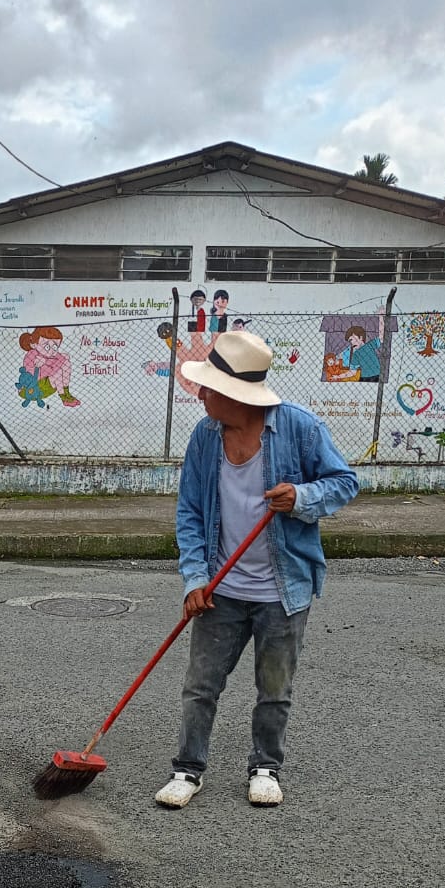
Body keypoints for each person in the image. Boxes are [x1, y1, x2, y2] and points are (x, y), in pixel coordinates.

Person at [154, 329, 358, 812]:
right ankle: (187, 769)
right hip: (220, 588)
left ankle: (265, 767)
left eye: (209, 389)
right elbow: (190, 513)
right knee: (200, 686)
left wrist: (302, 496)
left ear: (236, 395)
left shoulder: (300, 429)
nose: (200, 396)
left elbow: (345, 482)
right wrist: (195, 579)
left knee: (274, 689)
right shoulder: (205, 437)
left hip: (282, 591)